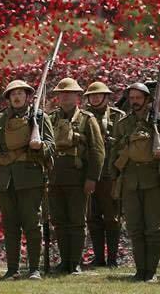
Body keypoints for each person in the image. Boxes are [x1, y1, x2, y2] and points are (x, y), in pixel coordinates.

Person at [110, 81, 160, 283]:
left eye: (138, 98)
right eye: (131, 98)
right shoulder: (123, 123)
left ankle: (152, 271)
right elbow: (113, 154)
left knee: (153, 229)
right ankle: (140, 271)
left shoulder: (158, 120)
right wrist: (113, 179)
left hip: (152, 180)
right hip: (130, 181)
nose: (135, 102)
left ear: (147, 99)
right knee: (135, 228)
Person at [0, 79, 55, 280]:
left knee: (32, 225)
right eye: (13, 93)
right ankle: (12, 269)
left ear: (28, 97)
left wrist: (39, 146)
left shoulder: (40, 117)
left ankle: (34, 268)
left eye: (21, 93)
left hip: (30, 177)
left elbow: (51, 146)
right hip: (5, 180)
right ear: (9, 98)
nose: (17, 96)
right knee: (10, 226)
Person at [48, 77, 105, 275]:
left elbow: (97, 151)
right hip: (55, 178)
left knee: (77, 221)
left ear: (77, 96)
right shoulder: (50, 118)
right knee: (59, 221)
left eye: (69, 93)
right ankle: (65, 261)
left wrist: (92, 178)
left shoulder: (87, 119)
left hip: (77, 177)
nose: (65, 96)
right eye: (61, 93)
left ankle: (75, 262)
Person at [83, 80, 125, 268]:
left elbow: (125, 142)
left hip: (110, 173)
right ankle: (99, 257)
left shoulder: (118, 117)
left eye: (99, 95)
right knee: (92, 217)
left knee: (112, 217)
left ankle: (113, 258)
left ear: (107, 97)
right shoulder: (82, 117)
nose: (95, 98)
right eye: (92, 95)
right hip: (90, 173)